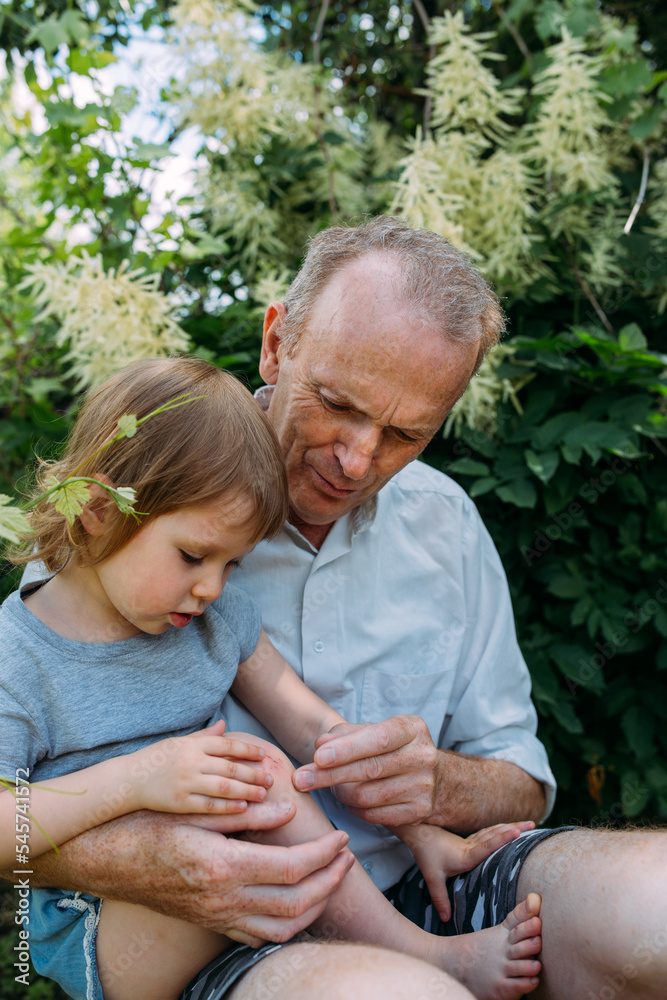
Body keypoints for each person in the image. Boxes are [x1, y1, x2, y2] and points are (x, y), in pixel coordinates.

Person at [6, 217, 667, 1000]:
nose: (356, 459)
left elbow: (514, 778)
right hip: (222, 922)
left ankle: (428, 950)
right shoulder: (142, 507)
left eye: (404, 433)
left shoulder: (446, 521)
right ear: (276, 344)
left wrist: (431, 796)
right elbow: (32, 796)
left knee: (653, 906)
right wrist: (140, 837)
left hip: (431, 889)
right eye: (336, 403)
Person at [0, 356, 543, 1000]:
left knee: (263, 767)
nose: (210, 587)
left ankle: (389, 958)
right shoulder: (19, 657)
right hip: (107, 930)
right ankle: (426, 956)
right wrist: (138, 779)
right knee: (252, 772)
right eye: (193, 555)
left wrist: (415, 826)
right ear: (95, 508)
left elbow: (314, 727)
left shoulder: (211, 615)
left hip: (245, 897)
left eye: (233, 565)